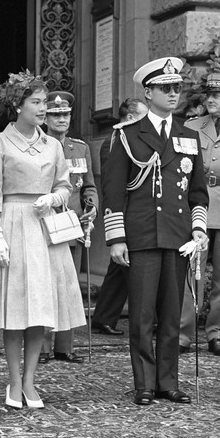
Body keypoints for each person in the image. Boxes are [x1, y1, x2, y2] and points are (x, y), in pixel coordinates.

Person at [0, 73, 85, 410]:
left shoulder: (54, 145)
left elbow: (64, 185)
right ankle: (13, 382)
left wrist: (55, 199)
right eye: (37, 102)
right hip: (13, 222)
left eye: (45, 103)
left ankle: (31, 380)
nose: (43, 109)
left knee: (39, 310)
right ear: (18, 105)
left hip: (43, 226)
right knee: (15, 309)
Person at [103, 57, 209, 406]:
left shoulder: (188, 136)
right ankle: (144, 383)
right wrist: (117, 237)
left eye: (177, 88)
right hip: (143, 235)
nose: (174, 94)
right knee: (143, 316)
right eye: (166, 88)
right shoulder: (128, 135)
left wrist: (197, 229)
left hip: (177, 237)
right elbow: (115, 190)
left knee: (171, 315)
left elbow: (197, 191)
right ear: (148, 93)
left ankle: (168, 382)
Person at [179, 72, 220, 357]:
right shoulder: (191, 126)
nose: (211, 99)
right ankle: (183, 333)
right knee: (193, 274)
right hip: (198, 210)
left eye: (217, 95)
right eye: (209, 94)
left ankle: (217, 334)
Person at [40, 91, 98, 364]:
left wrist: (92, 205)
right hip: (44, 224)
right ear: (45, 117)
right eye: (55, 114)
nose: (61, 119)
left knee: (68, 287)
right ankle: (41, 347)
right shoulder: (37, 144)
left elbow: (88, 185)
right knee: (44, 287)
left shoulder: (80, 148)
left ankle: (64, 347)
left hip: (72, 225)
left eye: (65, 114)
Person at [91, 97, 148, 336]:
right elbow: (115, 184)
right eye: (144, 116)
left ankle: (104, 316)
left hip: (134, 210)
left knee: (120, 267)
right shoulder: (115, 140)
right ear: (131, 117)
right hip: (125, 211)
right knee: (134, 266)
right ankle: (150, 319)